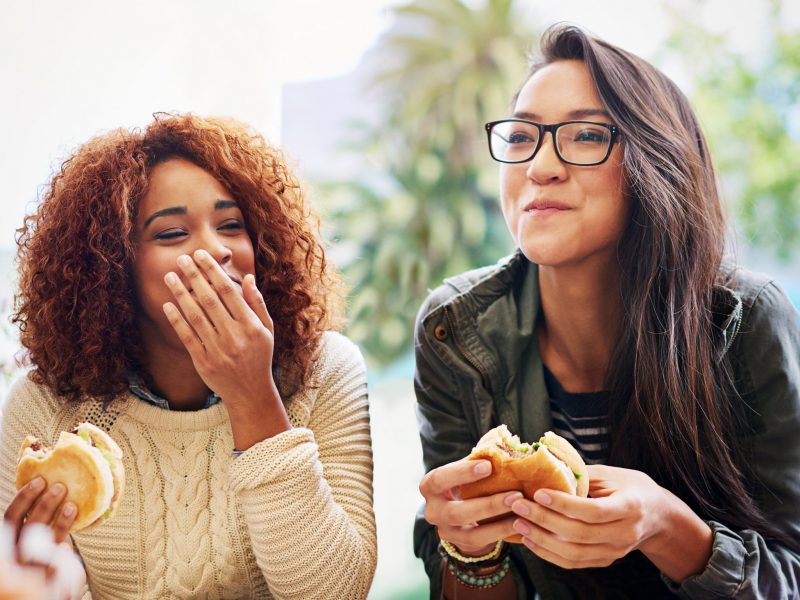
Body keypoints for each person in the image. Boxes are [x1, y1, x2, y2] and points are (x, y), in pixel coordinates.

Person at [413, 24, 800, 600]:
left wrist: (666, 527)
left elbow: (790, 574)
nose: (540, 166)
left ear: (657, 162)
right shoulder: (454, 331)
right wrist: (472, 549)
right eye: (522, 137)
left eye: (586, 135)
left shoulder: (748, 321)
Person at [0, 113, 377, 599]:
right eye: (172, 233)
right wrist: (31, 582)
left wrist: (252, 396)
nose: (215, 250)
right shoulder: (46, 407)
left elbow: (335, 592)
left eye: (231, 225)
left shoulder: (326, 371)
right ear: (112, 266)